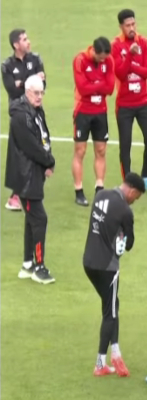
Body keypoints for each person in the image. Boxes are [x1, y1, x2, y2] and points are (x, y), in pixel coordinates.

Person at [82, 172, 146, 377]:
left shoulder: (100, 195)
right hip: (107, 267)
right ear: (133, 191)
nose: (134, 201)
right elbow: (129, 244)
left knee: (112, 305)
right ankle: (101, 363)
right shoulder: (125, 211)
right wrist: (121, 236)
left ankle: (116, 351)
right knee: (110, 313)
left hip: (88, 262)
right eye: (136, 197)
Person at [4, 74, 55, 284]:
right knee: (39, 218)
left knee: (32, 218)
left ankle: (27, 264)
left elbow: (43, 137)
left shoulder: (35, 111)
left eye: (42, 92)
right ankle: (39, 267)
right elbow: (30, 146)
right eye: (36, 93)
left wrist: (46, 160)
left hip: (32, 173)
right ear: (27, 92)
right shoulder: (20, 116)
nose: (40, 96)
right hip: (26, 175)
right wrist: (48, 161)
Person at [112, 9, 147, 194]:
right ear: (121, 26)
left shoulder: (144, 43)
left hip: (143, 102)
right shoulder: (116, 46)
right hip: (124, 105)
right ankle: (128, 183)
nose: (131, 28)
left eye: (133, 24)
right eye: (127, 25)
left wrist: (130, 64)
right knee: (125, 145)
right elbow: (120, 74)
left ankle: (145, 177)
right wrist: (131, 57)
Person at [2, 28, 46, 211]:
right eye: (24, 39)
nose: (28, 42)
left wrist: (23, 82)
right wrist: (32, 79)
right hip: (18, 114)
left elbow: (42, 84)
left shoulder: (36, 59)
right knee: (21, 153)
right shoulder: (7, 65)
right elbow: (12, 90)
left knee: (35, 148)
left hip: (35, 111)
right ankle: (15, 196)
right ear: (16, 45)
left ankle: (25, 192)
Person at [72, 37, 115, 207]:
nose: (103, 61)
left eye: (105, 58)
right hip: (82, 111)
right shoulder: (80, 60)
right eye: (100, 57)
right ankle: (79, 190)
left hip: (100, 112)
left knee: (101, 150)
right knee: (80, 151)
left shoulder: (109, 60)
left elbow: (110, 88)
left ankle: (99, 188)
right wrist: (100, 84)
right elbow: (82, 88)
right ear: (94, 51)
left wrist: (93, 84)